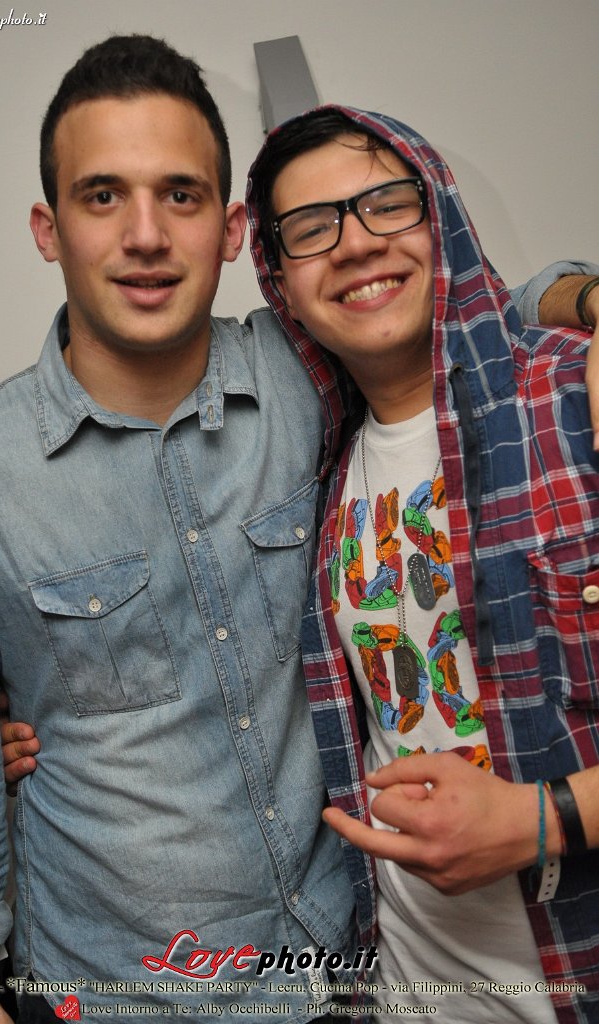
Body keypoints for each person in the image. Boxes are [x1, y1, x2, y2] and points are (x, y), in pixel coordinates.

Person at [0, 33, 596, 1024]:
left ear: (231, 230)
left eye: (181, 195)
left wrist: (581, 298)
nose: (145, 234)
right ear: (48, 228)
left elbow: (458, 299)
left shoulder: (304, 373)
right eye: (102, 196)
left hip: (344, 972)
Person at [245, 105, 599, 1023]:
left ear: (441, 214)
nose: (356, 244)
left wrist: (547, 818)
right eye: (311, 228)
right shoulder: (317, 476)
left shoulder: (575, 397)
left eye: (387, 204)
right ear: (282, 283)